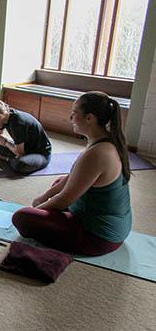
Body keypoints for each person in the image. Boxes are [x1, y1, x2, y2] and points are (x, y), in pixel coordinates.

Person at [12, 91, 131, 256]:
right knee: (60, 181)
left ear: (90, 118)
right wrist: (45, 195)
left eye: (74, 114)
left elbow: (64, 199)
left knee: (22, 217)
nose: (70, 118)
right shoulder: (105, 140)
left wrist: (39, 209)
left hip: (99, 238)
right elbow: (72, 176)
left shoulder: (98, 153)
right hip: (113, 226)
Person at [0, 97, 52, 174]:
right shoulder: (6, 114)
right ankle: (12, 159)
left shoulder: (17, 123)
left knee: (20, 165)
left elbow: (20, 153)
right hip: (24, 148)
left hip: (39, 154)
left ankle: (7, 159)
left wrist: (5, 142)